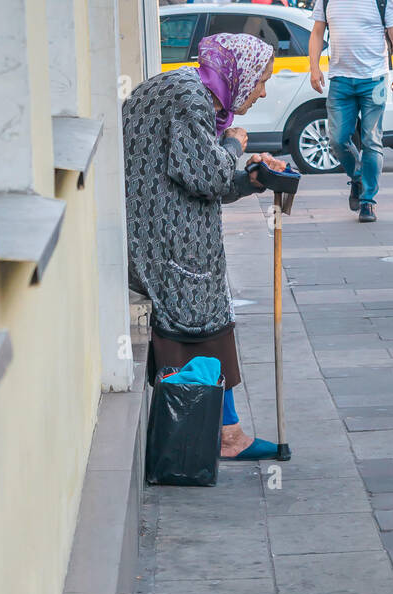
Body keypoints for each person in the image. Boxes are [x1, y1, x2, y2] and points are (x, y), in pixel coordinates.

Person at [122, 33, 289, 459]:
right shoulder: (190, 98)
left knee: (206, 319)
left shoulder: (187, 90)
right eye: (261, 80)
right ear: (241, 73)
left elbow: (194, 176)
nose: (263, 91)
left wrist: (249, 181)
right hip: (165, 241)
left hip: (167, 232)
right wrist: (235, 143)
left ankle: (223, 430)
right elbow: (207, 176)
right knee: (202, 321)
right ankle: (222, 435)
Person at [309, 0, 393, 223]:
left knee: (372, 141)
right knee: (337, 139)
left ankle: (368, 200)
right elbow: (317, 33)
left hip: (373, 79)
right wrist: (314, 67)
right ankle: (357, 177)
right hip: (340, 79)